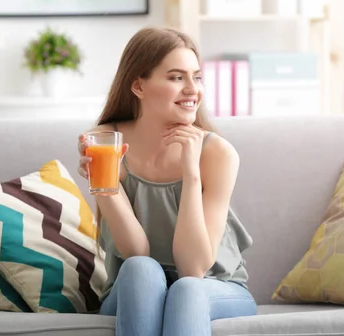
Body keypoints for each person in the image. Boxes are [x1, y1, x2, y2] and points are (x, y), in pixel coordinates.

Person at [76, 26, 256, 336]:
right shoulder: (106, 141)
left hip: (214, 288)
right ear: (138, 86)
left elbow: (193, 267)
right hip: (134, 287)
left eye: (196, 77)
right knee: (141, 269)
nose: (192, 89)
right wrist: (108, 186)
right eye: (176, 78)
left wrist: (191, 173)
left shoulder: (217, 153)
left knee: (187, 289)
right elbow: (136, 251)